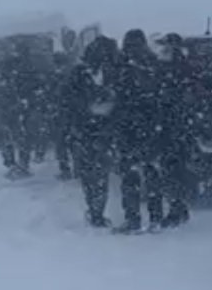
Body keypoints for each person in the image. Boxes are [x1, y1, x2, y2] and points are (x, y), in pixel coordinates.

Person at [59, 36, 120, 226]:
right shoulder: (116, 72)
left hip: (84, 130)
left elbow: (66, 101)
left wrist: (80, 115)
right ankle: (97, 211)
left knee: (89, 172)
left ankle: (95, 210)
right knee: (100, 172)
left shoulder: (78, 73)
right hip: (104, 131)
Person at [112, 29, 164, 232]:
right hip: (151, 128)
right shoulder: (153, 64)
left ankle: (133, 219)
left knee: (130, 176)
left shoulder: (123, 66)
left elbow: (117, 98)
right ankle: (155, 218)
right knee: (152, 174)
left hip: (129, 129)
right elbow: (161, 96)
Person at [148, 32, 194, 227]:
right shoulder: (186, 67)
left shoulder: (168, 67)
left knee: (169, 170)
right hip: (180, 127)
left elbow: (162, 97)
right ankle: (179, 208)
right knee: (176, 169)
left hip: (169, 127)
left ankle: (176, 210)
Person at [0, 38, 40, 178]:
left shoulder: (4, 66)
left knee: (11, 137)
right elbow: (35, 87)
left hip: (13, 107)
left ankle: (14, 164)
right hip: (17, 107)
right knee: (20, 137)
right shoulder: (27, 67)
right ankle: (18, 165)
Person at [49, 50, 77, 180]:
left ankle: (65, 170)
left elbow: (52, 95)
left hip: (61, 114)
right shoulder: (73, 74)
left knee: (61, 144)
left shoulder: (56, 76)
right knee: (73, 143)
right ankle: (77, 169)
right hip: (72, 114)